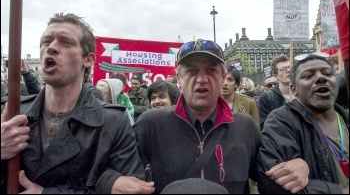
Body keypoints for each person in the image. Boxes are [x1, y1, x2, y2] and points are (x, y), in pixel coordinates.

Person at [1, 12, 154, 194]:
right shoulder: (10, 114)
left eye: (66, 42)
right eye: (46, 41)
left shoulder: (113, 122)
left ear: (88, 59)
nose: (51, 47)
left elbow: (134, 190)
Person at [133, 39, 261, 193]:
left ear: (222, 77)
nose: (201, 79)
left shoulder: (245, 126)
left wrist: (297, 165)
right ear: (179, 78)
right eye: (191, 71)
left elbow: (270, 176)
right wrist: (111, 180)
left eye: (211, 71)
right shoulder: (151, 124)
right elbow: (114, 170)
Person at [257, 54, 349, 194]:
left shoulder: (346, 118)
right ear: (294, 90)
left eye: (328, 73)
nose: (321, 78)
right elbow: (271, 184)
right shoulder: (281, 121)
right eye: (308, 76)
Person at [259, 54, 294, 131]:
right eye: (283, 69)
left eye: (289, 67)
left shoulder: (302, 95)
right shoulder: (267, 98)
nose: (288, 71)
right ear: (276, 76)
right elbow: (264, 128)